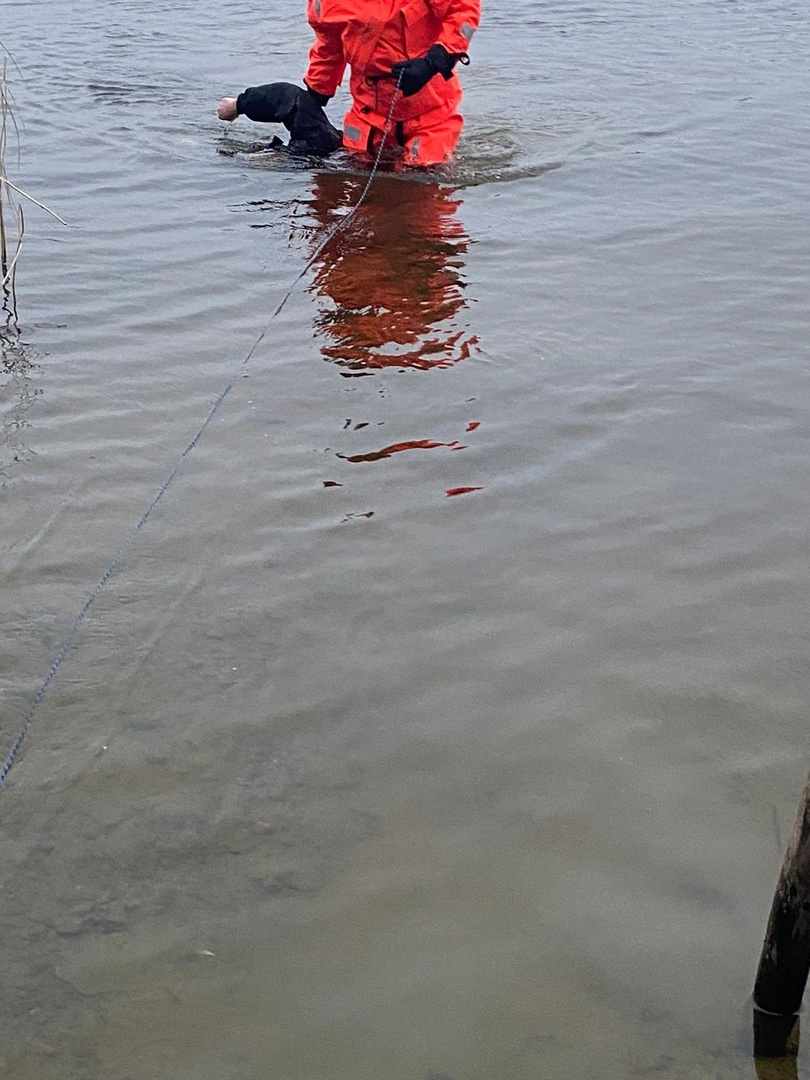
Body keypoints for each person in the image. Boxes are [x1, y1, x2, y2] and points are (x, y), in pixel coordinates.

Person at [217, 0, 480, 167]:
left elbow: (464, 12)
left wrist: (434, 61)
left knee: (426, 183)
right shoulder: (327, 4)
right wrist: (315, 94)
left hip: (429, 111)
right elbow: (329, 48)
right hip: (367, 116)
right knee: (350, 176)